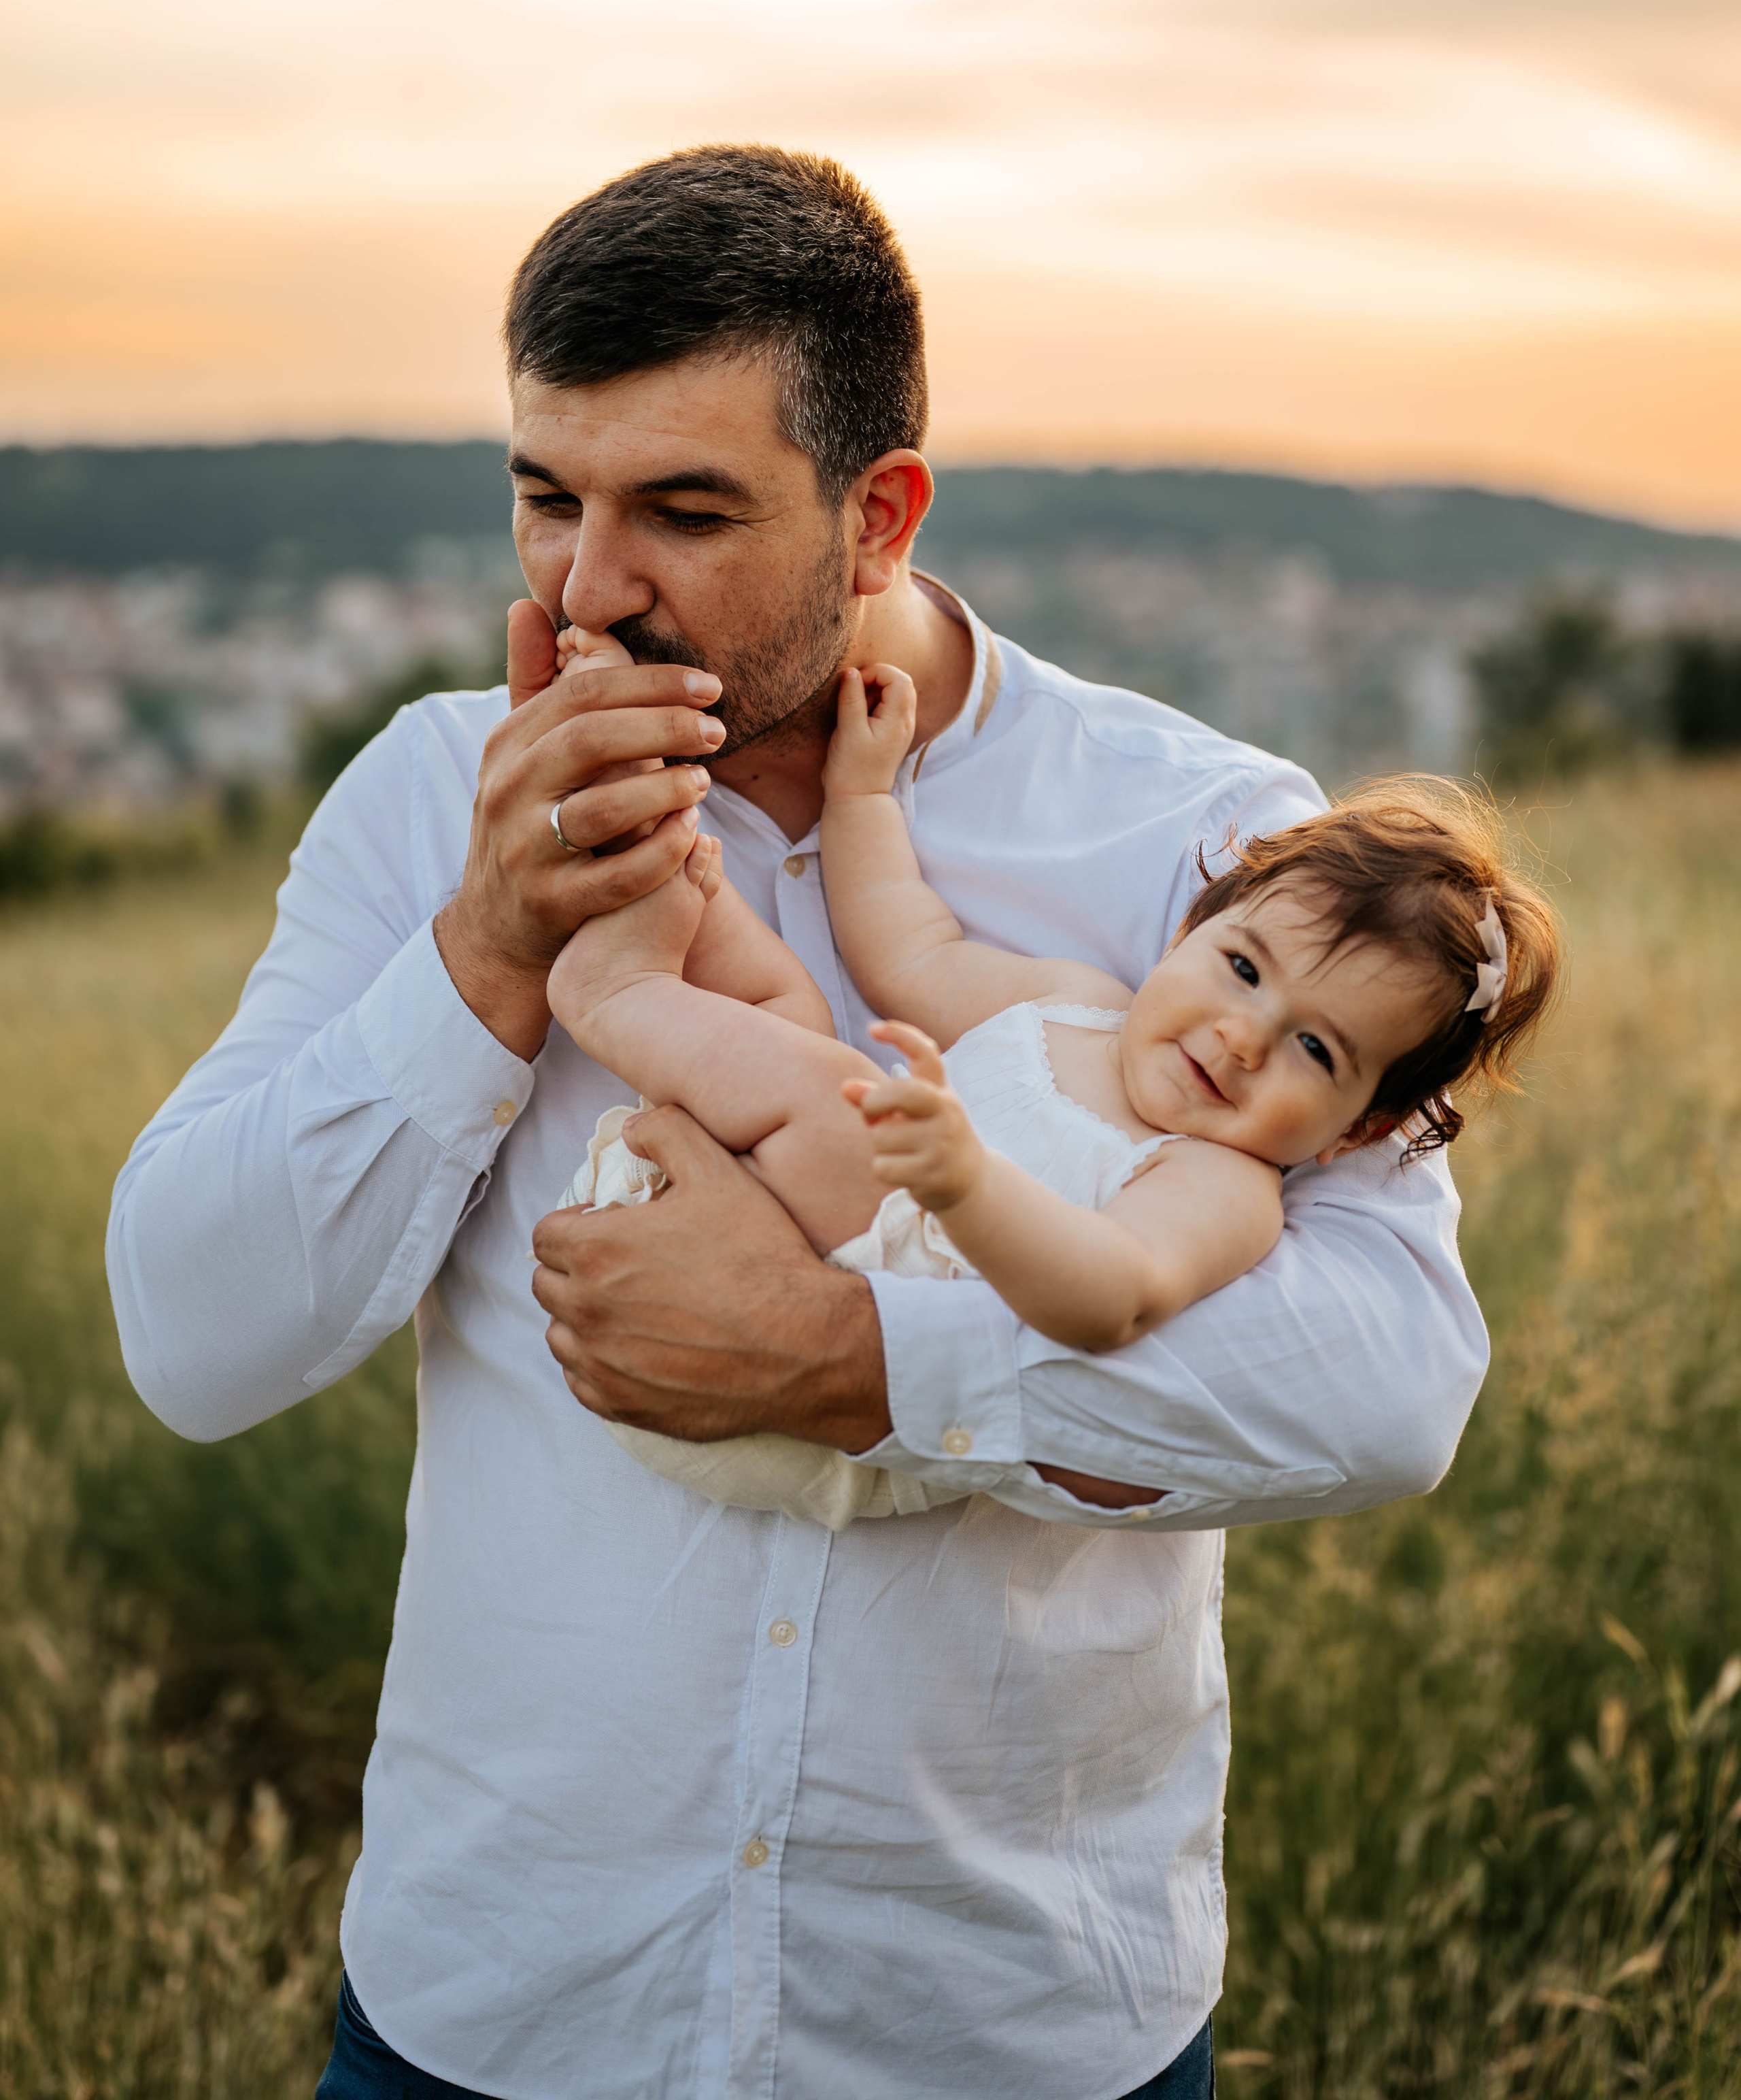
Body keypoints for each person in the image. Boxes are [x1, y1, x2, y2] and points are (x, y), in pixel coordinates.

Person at [108, 146, 1491, 2100]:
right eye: (544, 498)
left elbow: (1388, 1382)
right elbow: (192, 1339)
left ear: (881, 514)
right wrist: (491, 947)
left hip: (1000, 2023)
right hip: (508, 2008)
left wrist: (865, 1361)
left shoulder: (1208, 848)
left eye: (682, 510)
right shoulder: (432, 800)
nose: (590, 585)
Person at [551, 687, 1559, 1530]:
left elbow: (1107, 1295)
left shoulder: (1222, 1185)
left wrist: (968, 1184)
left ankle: (612, 992)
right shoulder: (1075, 1004)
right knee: (803, 1018)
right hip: (689, 1248)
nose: (1243, 1037)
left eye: (1315, 1048)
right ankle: (674, 864)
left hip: (810, 1392)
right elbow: (907, 947)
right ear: (1188, 930)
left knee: (825, 1091)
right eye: (1244, 968)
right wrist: (859, 792)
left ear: (1360, 1129)